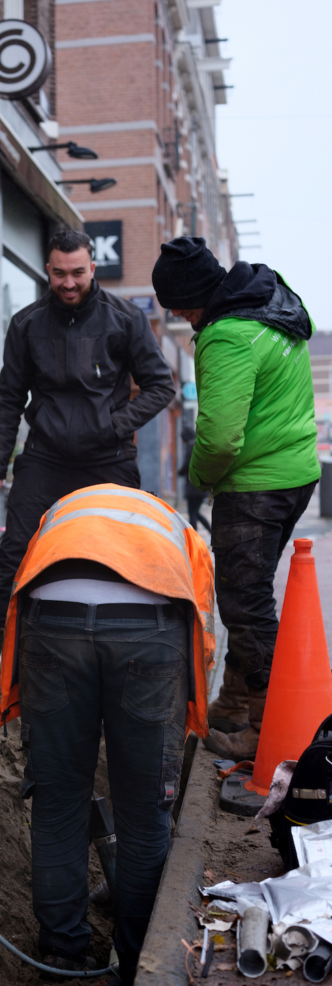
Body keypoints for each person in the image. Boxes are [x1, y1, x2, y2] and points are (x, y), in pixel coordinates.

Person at [0, 483, 215, 984]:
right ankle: (140, 962)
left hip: (53, 623)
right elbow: (200, 615)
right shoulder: (174, 525)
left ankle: (62, 956)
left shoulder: (63, 511)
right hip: (148, 626)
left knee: (58, 805)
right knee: (142, 814)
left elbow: (24, 577)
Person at [152, 237, 320, 759]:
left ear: (193, 296)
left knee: (246, 605)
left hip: (254, 486)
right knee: (245, 594)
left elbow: (221, 437)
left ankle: (265, 725)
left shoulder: (226, 335)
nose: (178, 313)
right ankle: (231, 700)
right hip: (295, 474)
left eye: (177, 304)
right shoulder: (274, 309)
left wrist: (200, 476)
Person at [0, 228, 176, 655]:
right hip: (45, 458)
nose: (68, 283)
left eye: (78, 273)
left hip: (108, 457)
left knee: (119, 552)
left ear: (93, 267)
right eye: (60, 274)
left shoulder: (125, 318)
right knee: (17, 551)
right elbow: (9, 399)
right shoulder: (26, 323)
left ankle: (130, 644)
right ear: (48, 269)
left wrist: (114, 425)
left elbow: (161, 387)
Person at [178, 426, 211, 534]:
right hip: (201, 486)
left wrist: (180, 472)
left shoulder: (191, 445)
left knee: (192, 512)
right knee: (195, 512)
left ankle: (194, 537)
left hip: (193, 487)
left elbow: (188, 463)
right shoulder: (198, 444)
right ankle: (210, 531)